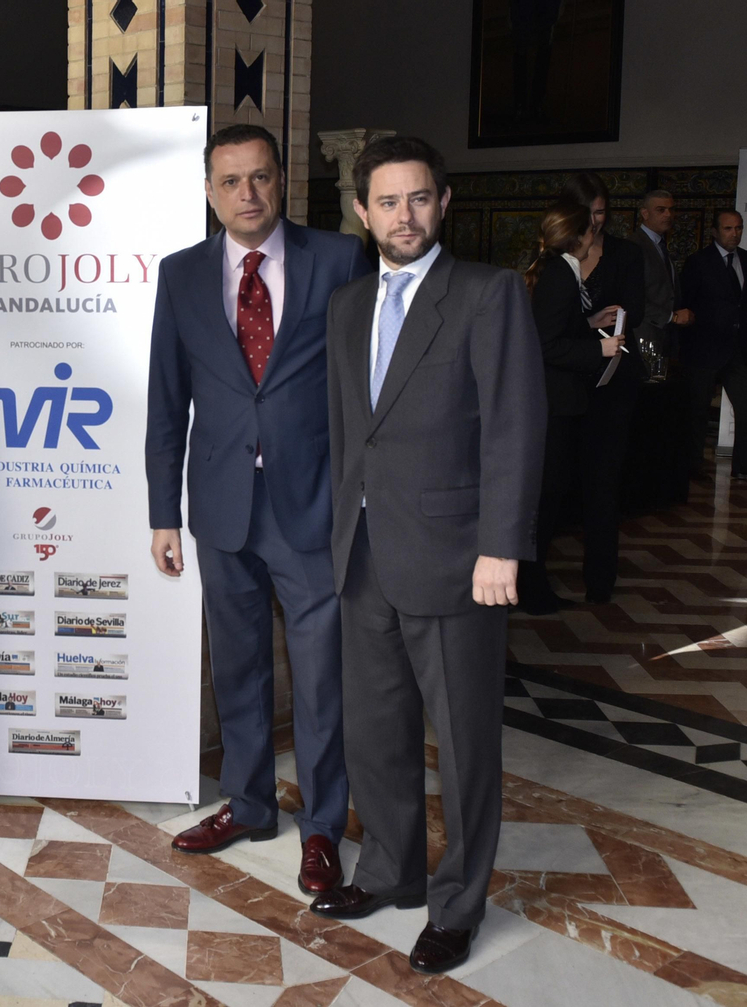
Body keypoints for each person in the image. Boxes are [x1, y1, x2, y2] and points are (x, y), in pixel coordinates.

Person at [312, 136, 545, 975]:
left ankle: (457, 903)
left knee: (467, 741)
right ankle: (388, 870)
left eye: (418, 199)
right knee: (376, 731)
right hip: (365, 555)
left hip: (458, 561)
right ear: (361, 212)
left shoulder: (485, 296)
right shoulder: (347, 305)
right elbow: (349, 434)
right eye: (386, 202)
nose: (402, 216)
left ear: (443, 203)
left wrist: (501, 547)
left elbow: (516, 428)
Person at [145, 124, 369, 893]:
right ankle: (248, 804)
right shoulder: (180, 275)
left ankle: (321, 826)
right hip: (220, 506)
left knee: (320, 677)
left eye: (261, 177)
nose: (248, 193)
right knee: (237, 667)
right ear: (210, 191)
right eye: (231, 180)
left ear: (282, 181)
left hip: (312, 503)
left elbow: (363, 382)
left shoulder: (338, 259)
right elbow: (166, 401)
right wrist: (161, 513)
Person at [515, 191, 634, 613]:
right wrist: (597, 351)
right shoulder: (561, 274)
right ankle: (530, 588)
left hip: (557, 401)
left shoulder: (558, 270)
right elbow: (544, 346)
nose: (594, 234)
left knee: (548, 498)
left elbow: (553, 329)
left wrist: (590, 323)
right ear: (579, 236)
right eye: (590, 228)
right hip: (553, 402)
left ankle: (530, 585)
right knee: (545, 501)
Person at [679, 210, 747, 482]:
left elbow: (741, 305)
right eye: (728, 228)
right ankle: (692, 467)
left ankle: (745, 466)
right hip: (703, 348)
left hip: (736, 348)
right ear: (715, 231)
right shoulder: (698, 262)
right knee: (697, 410)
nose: (734, 234)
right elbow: (685, 303)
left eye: (738, 228)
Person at [630, 190, 693, 366]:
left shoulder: (659, 245)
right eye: (661, 210)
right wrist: (671, 317)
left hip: (664, 338)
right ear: (645, 213)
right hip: (643, 337)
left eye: (671, 210)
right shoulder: (634, 246)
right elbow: (633, 297)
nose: (668, 215)